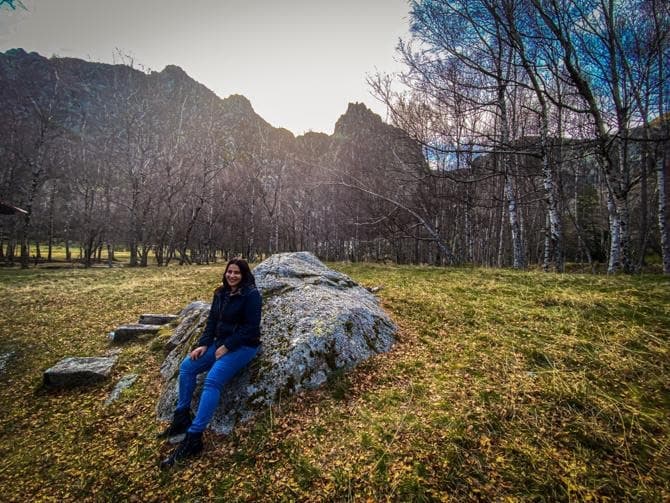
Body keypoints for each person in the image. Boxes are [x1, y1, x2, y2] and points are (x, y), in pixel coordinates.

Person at [160, 258, 262, 468]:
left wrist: (227, 346)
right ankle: (181, 417)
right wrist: (204, 344)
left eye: (237, 273)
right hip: (218, 343)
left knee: (212, 381)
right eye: (229, 272)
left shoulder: (251, 295)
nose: (232, 276)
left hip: (244, 346)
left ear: (244, 275)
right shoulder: (220, 293)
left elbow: (251, 329)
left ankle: (194, 438)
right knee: (187, 367)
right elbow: (212, 323)